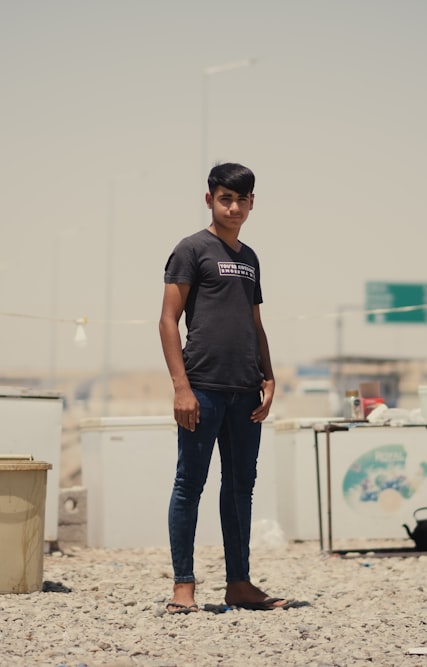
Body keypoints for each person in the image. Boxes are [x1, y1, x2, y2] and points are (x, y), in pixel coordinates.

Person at [159, 162, 292, 614]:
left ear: (253, 202)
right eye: (224, 199)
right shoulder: (191, 249)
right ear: (210, 199)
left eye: (241, 199)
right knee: (189, 484)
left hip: (245, 392)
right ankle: (183, 587)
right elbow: (167, 321)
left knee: (240, 488)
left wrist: (269, 376)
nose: (233, 207)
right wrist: (182, 387)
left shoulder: (250, 259)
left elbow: (255, 323)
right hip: (203, 389)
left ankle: (239, 582)